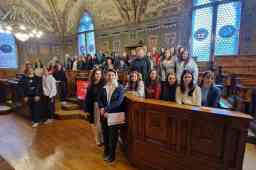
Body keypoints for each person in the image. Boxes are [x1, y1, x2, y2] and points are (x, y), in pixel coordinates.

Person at [98, 69, 124, 163]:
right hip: (104, 115)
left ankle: (112, 155)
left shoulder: (120, 87)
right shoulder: (103, 87)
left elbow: (118, 102)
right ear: (106, 76)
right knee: (105, 134)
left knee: (113, 136)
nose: (110, 77)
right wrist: (101, 107)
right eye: (109, 75)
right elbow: (99, 99)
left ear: (116, 76)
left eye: (112, 75)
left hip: (114, 115)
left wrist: (106, 109)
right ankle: (106, 151)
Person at [84, 68, 105, 145]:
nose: (98, 75)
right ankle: (97, 138)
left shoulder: (104, 83)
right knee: (93, 124)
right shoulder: (91, 85)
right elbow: (87, 98)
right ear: (93, 75)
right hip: (92, 106)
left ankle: (102, 138)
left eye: (99, 74)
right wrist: (86, 110)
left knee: (101, 124)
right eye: (96, 74)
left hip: (102, 106)